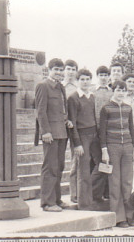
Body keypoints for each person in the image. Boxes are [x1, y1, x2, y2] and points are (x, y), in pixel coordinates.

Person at [99, 80, 134, 228]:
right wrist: (104, 150)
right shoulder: (106, 108)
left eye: (123, 90)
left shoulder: (128, 108)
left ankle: (129, 215)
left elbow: (131, 129)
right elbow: (102, 132)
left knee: (127, 182)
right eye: (118, 90)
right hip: (112, 147)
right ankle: (118, 217)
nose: (121, 92)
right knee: (115, 182)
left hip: (127, 147)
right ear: (113, 91)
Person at [35, 58, 72, 212]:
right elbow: (41, 111)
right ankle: (47, 203)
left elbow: (63, 108)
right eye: (55, 69)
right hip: (50, 133)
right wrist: (46, 132)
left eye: (60, 69)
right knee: (50, 167)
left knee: (59, 166)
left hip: (62, 133)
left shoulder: (60, 87)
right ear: (49, 70)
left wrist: (67, 119)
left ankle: (56, 199)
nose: (58, 72)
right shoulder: (43, 86)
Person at [67, 69, 100, 210]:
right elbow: (72, 122)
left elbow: (93, 117)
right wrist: (77, 143)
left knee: (103, 165)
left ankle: (94, 194)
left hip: (94, 135)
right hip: (82, 136)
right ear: (77, 80)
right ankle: (84, 203)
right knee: (83, 170)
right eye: (82, 79)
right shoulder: (73, 97)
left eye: (87, 79)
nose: (85, 82)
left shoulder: (91, 96)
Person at [91, 66, 112, 202]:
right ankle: (93, 194)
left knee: (108, 163)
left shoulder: (112, 92)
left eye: (106, 75)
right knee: (99, 163)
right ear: (97, 76)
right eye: (101, 75)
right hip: (96, 132)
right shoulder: (93, 92)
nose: (103, 77)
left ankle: (106, 193)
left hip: (110, 131)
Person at [62, 59, 79, 204]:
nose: (71, 72)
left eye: (73, 69)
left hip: (75, 127)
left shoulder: (78, 87)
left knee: (76, 160)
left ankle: (75, 194)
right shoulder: (59, 86)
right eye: (69, 69)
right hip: (60, 127)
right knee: (59, 161)